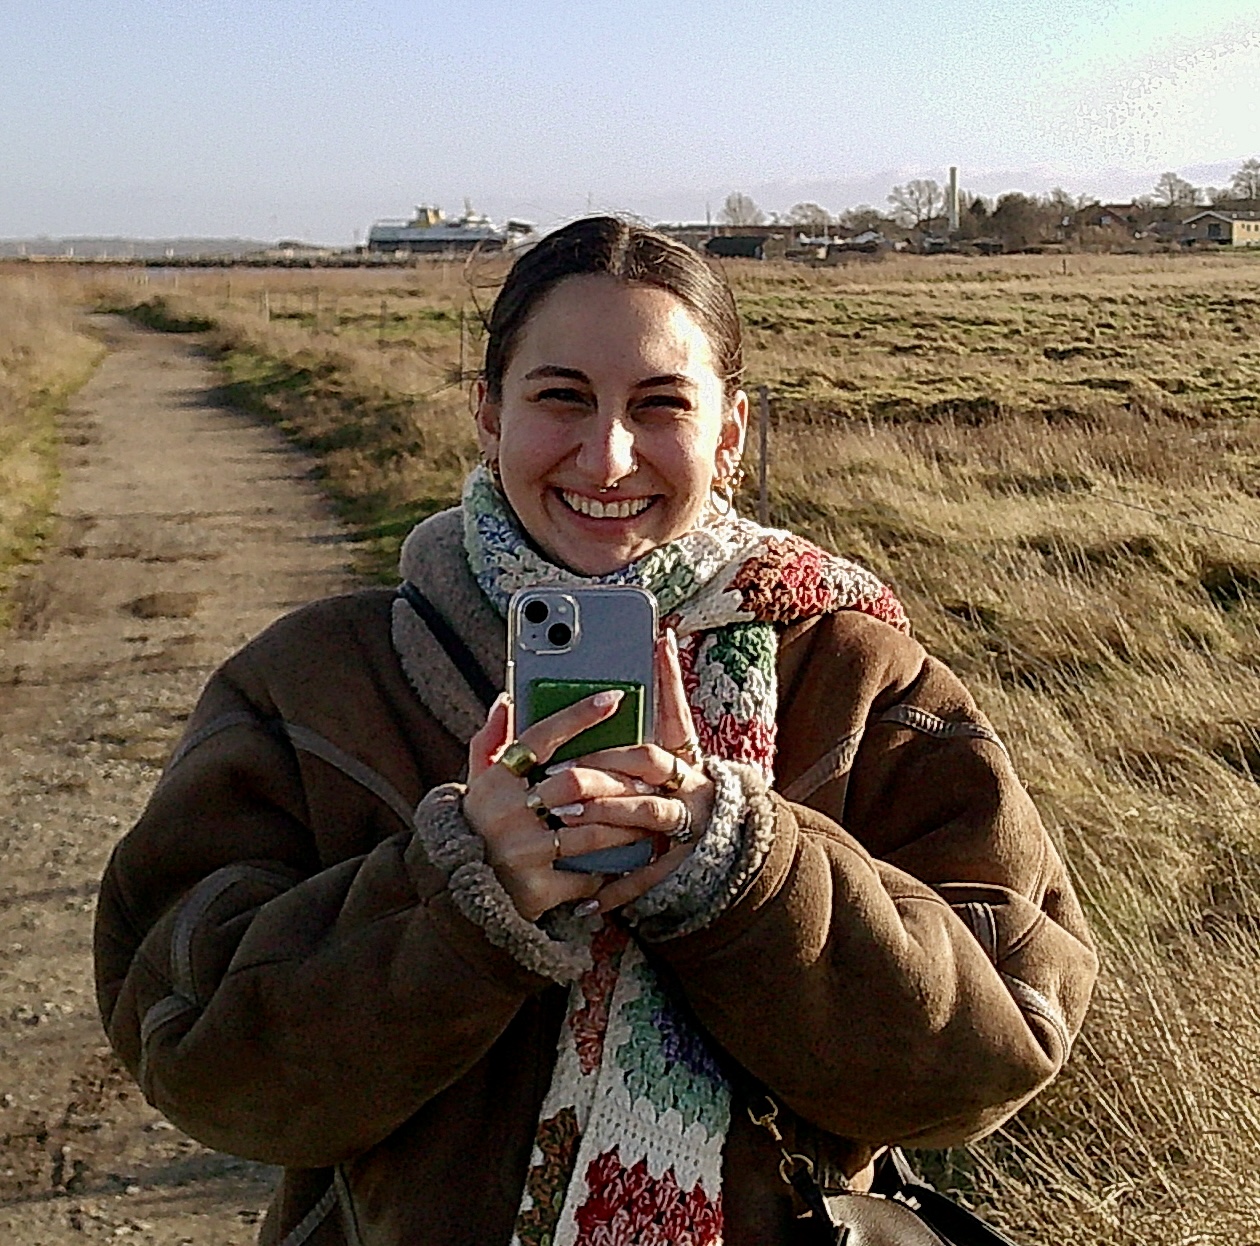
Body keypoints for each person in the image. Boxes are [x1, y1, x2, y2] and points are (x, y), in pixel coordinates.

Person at [94, 216, 1097, 1246]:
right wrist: (454, 900)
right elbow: (194, 1054)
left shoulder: (857, 676)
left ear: (732, 433)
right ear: (487, 413)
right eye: (560, 397)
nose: (608, 456)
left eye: (660, 405)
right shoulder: (314, 683)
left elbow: (1002, 1043)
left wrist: (744, 874)